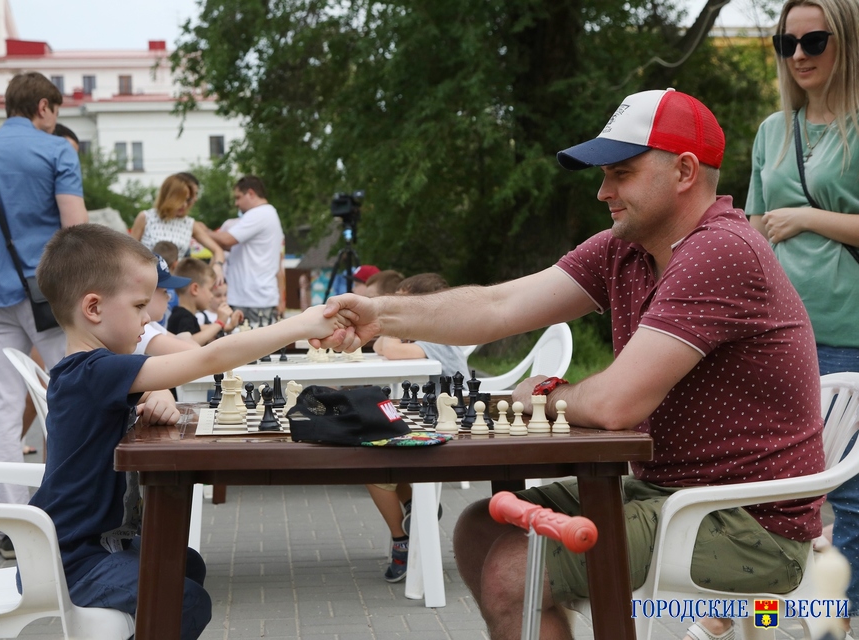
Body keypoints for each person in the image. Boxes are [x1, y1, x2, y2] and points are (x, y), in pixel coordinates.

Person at [320, 89, 825, 640]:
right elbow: (499, 306)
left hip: (748, 526)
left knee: (513, 571)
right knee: (480, 528)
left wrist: (543, 394)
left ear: (684, 171)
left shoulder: (719, 251)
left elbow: (614, 406)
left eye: (622, 173)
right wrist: (382, 315)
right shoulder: (624, 248)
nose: (604, 191)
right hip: (672, 498)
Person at [28, 223, 346, 639]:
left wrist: (151, 397)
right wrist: (300, 325)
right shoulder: (91, 370)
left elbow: (122, 403)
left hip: (94, 543)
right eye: (140, 305)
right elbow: (206, 359)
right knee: (184, 599)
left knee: (187, 563)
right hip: (70, 559)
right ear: (93, 308)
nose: (148, 320)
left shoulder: (91, 372)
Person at [746, 0, 859, 626]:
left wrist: (810, 216)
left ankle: (834, 622)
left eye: (814, 39)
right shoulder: (772, 129)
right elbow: (757, 229)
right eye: (785, 43)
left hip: (849, 331)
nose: (799, 55)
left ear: (846, 41)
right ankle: (765, 610)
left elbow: (787, 219)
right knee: (772, 484)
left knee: (850, 493)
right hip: (778, 334)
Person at [0, 71, 87, 558]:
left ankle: (14, 526)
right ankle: (65, 516)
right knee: (65, 398)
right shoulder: (56, 152)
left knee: (3, 410)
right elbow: (75, 228)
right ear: (45, 107)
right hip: (50, 294)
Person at [367, 272, 469, 583]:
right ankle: (414, 505)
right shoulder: (428, 338)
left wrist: (390, 330)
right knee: (375, 450)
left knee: (370, 463)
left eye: (404, 305)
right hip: (428, 418)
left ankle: (402, 540)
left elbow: (390, 349)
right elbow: (378, 347)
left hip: (447, 426)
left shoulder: (441, 340)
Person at [209, 175, 285, 325]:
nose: (236, 203)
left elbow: (227, 240)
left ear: (251, 193)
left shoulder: (259, 213)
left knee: (247, 345)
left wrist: (201, 230)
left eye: (238, 197)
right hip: (259, 298)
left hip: (252, 300)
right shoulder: (269, 214)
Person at [130, 174, 224, 264]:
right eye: (180, 199)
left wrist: (216, 268)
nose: (184, 204)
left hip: (175, 278)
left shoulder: (189, 223)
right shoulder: (146, 217)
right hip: (148, 277)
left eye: (187, 200)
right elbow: (128, 253)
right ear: (168, 196)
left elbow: (217, 251)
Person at [167, 257, 227, 345]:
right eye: (210, 290)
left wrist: (228, 326)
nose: (211, 295)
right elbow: (187, 344)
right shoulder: (183, 317)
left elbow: (199, 330)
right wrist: (219, 323)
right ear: (195, 289)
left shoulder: (183, 314)